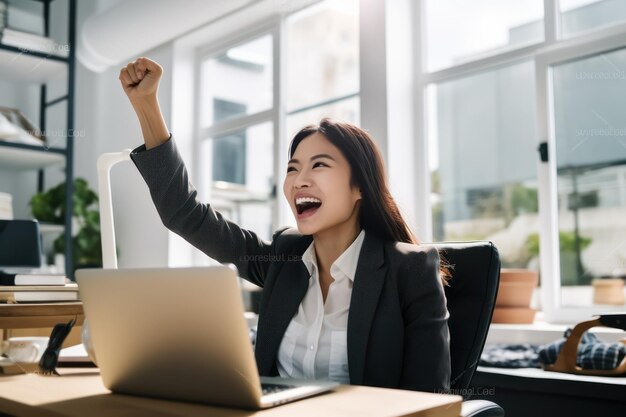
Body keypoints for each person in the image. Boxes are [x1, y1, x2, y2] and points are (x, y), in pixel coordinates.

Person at [120, 57, 451, 392]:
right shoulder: (284, 258)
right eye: (293, 168)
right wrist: (145, 103)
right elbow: (184, 212)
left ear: (360, 187)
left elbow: (431, 403)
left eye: (319, 165)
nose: (299, 181)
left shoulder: (409, 271)